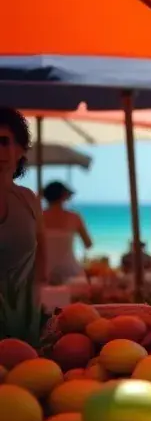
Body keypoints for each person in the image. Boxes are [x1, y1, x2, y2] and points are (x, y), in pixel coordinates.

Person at [0, 109, 44, 289]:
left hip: (23, 314)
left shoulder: (29, 200)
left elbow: (42, 262)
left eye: (3, 142)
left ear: (20, 150)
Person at [41, 181, 91, 284]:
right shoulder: (74, 217)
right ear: (64, 196)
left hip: (43, 273)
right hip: (71, 273)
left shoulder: (37, 217)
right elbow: (88, 244)